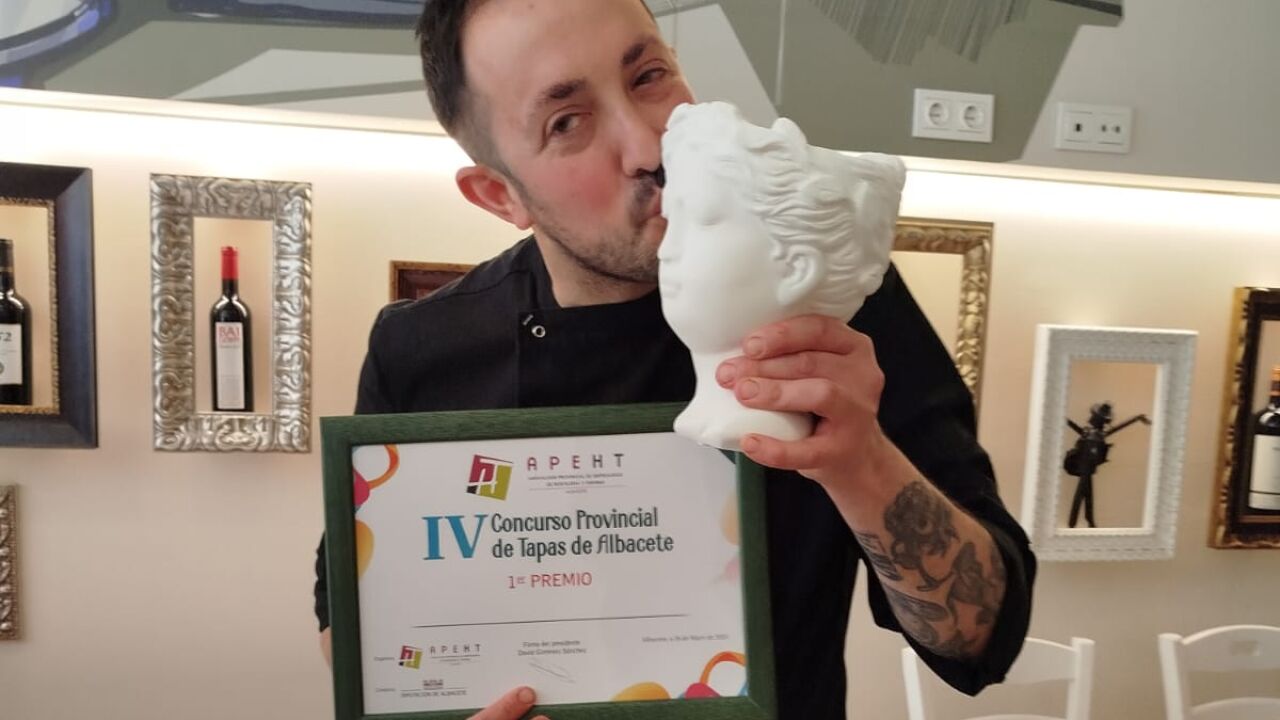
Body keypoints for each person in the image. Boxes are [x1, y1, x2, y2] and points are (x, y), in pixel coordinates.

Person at [313, 1, 1037, 718]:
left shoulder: (826, 305)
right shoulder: (423, 349)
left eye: (649, 76)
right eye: (566, 122)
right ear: (500, 195)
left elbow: (982, 637)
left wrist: (860, 460)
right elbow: (351, 617)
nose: (648, 146)